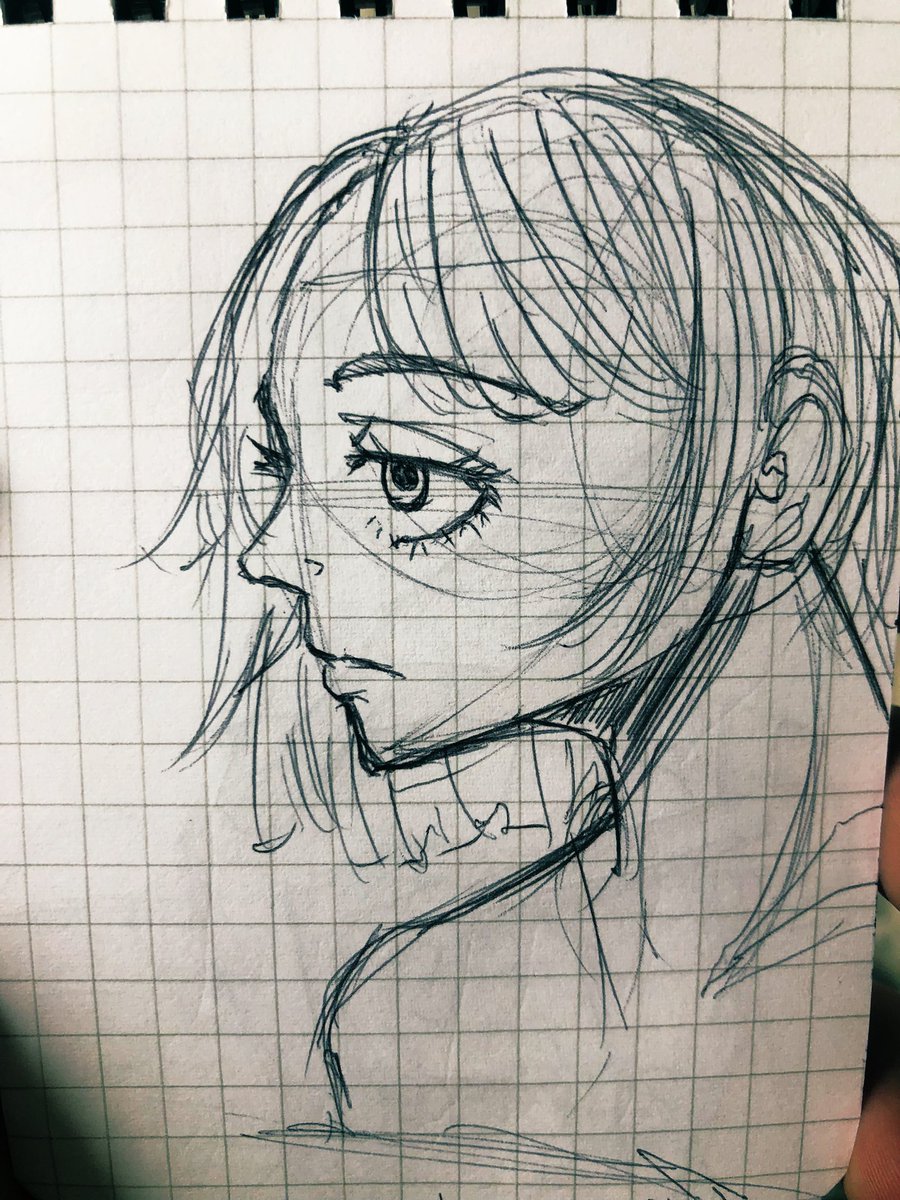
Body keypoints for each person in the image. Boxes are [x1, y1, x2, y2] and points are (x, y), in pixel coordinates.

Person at [155, 70, 899, 1194]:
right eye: (280, 465)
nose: (268, 552)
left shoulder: (434, 1024)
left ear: (778, 469)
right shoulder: (412, 1009)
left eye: (406, 476)